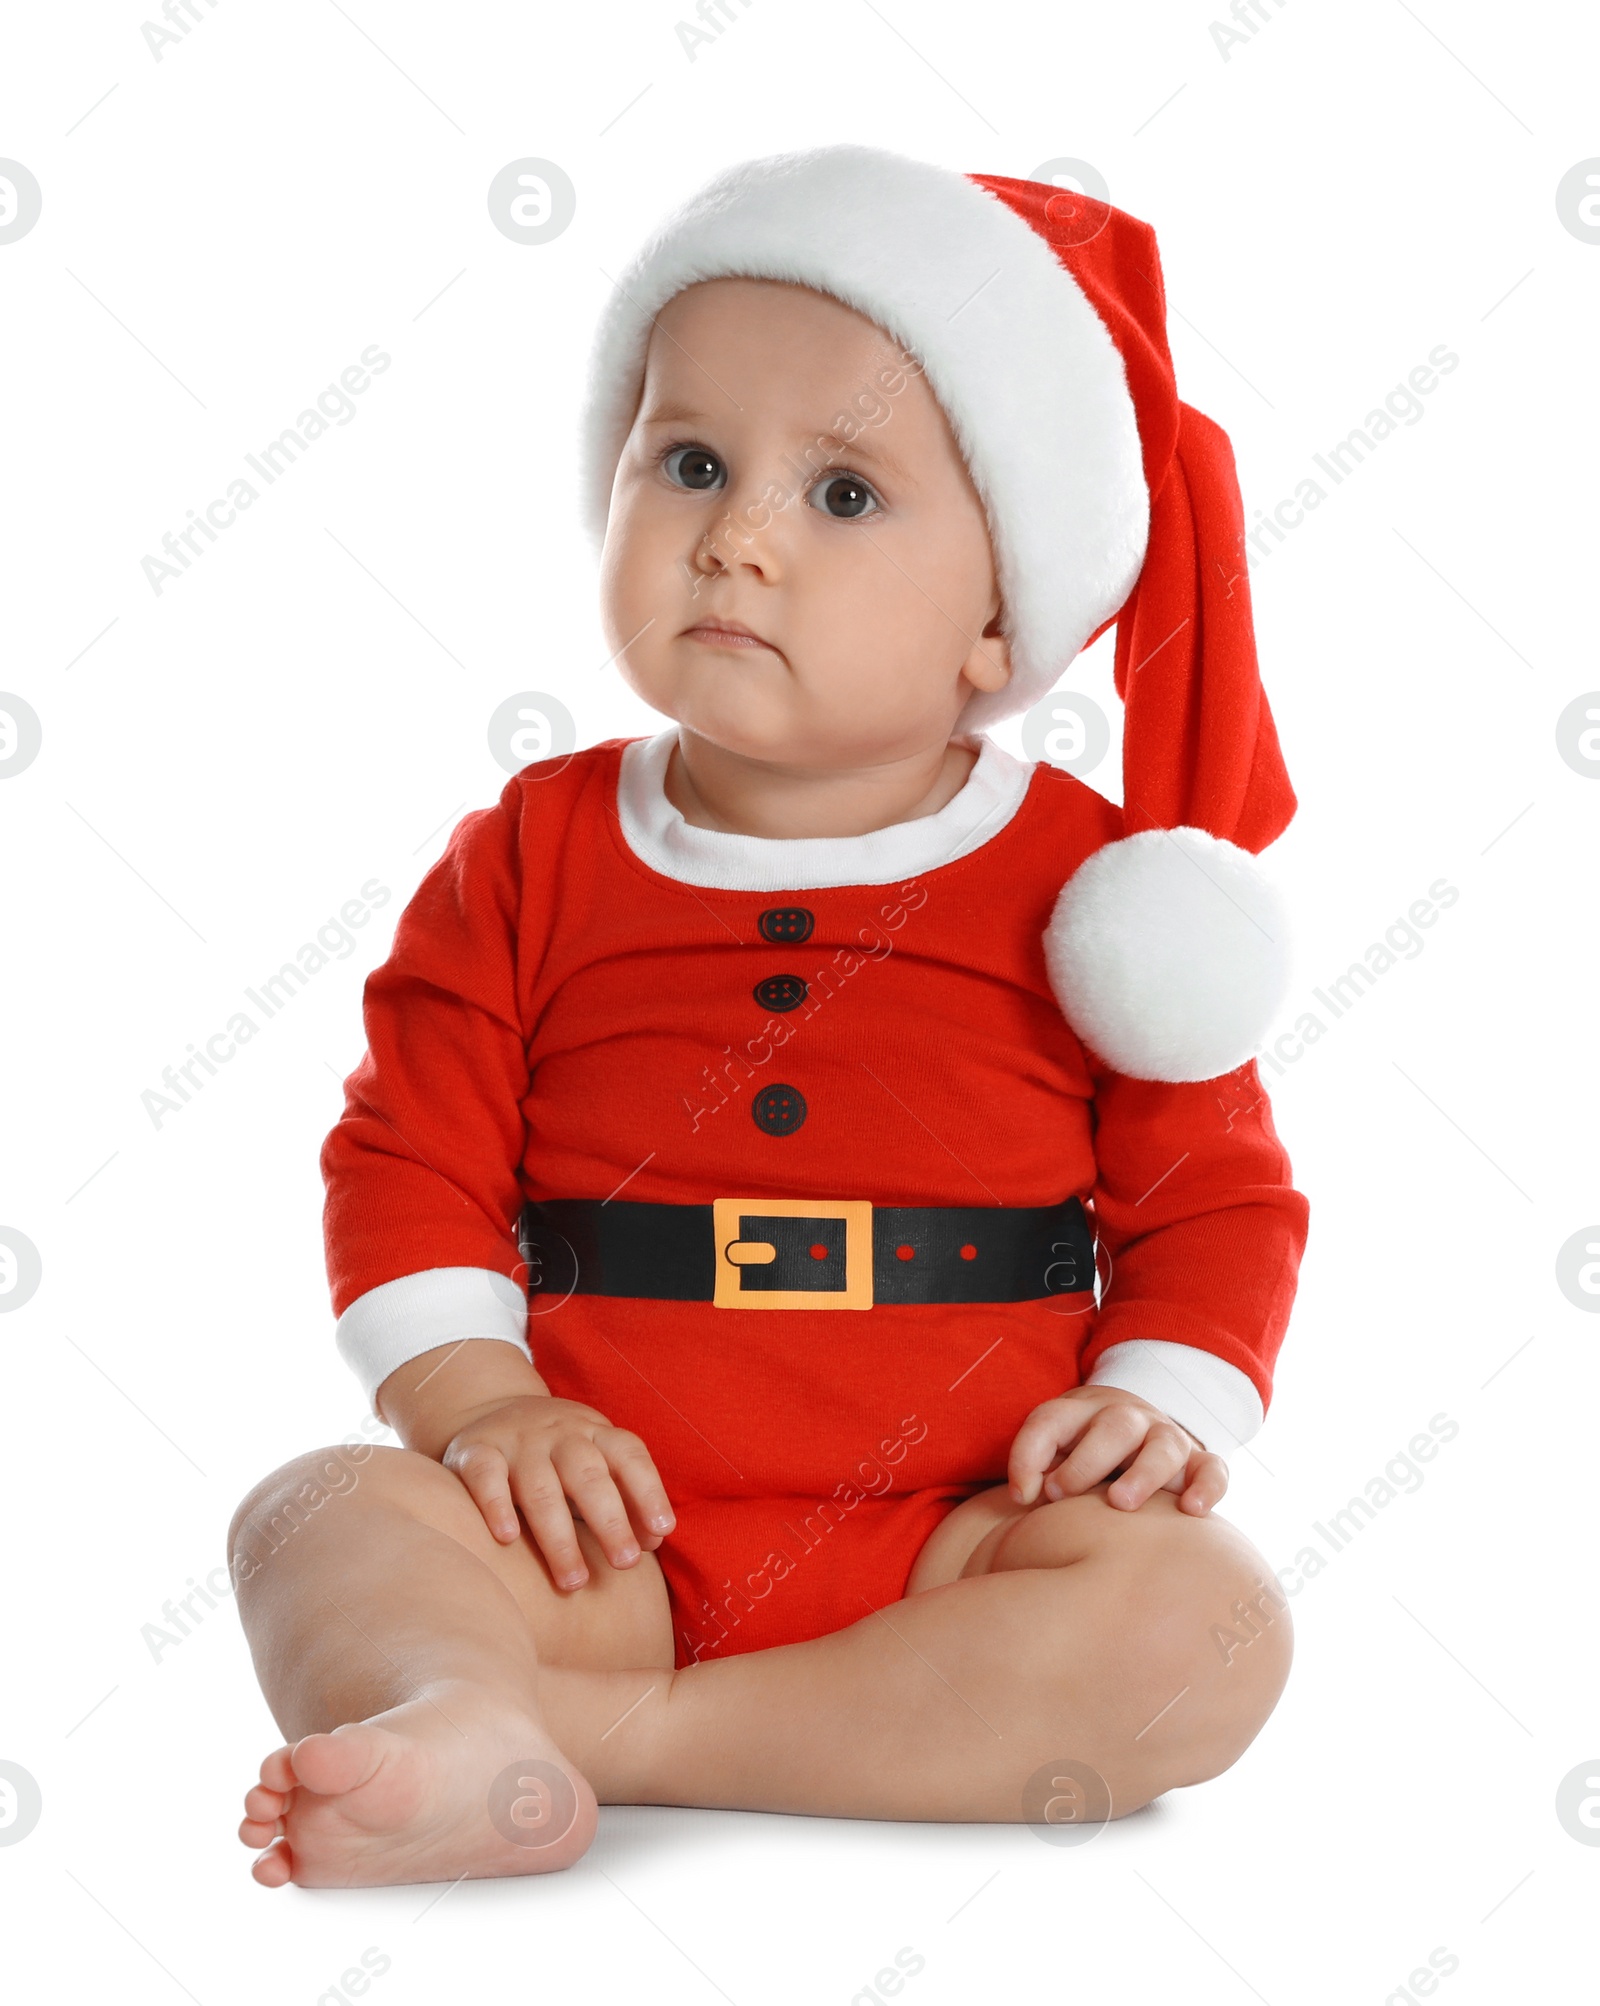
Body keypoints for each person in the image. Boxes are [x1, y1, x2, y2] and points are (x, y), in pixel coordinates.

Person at [229, 145, 1309, 1887]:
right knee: (312, 1512)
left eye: (846, 496)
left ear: (996, 615)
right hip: (591, 1541)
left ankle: (574, 1743)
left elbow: (1217, 1198)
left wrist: (1159, 1403)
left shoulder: (1098, 896)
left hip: (964, 1545)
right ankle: (461, 1677)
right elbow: (403, 1155)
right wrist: (485, 1405)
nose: (734, 534)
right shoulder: (529, 854)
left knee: (1207, 1623)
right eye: (691, 462)